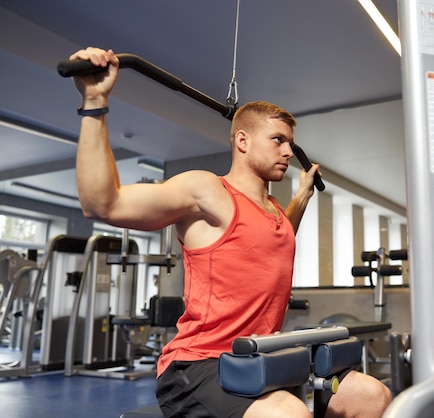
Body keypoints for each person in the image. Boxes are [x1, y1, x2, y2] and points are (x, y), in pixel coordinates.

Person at [69, 47, 392, 418]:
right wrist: (95, 101)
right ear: (242, 141)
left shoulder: (273, 212)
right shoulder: (209, 191)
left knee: (371, 395)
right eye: (278, 140)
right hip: (201, 365)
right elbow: (103, 204)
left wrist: (302, 196)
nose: (288, 151)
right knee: (290, 415)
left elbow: (278, 237)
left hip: (262, 358)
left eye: (291, 143)